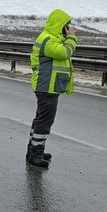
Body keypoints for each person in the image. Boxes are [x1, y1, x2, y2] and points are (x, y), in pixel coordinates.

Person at [27, 9, 78, 168]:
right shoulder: (48, 40)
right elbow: (64, 53)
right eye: (66, 25)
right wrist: (72, 38)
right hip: (46, 86)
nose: (68, 28)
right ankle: (35, 154)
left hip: (49, 85)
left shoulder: (52, 38)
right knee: (44, 121)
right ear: (60, 25)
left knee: (41, 119)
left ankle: (34, 151)